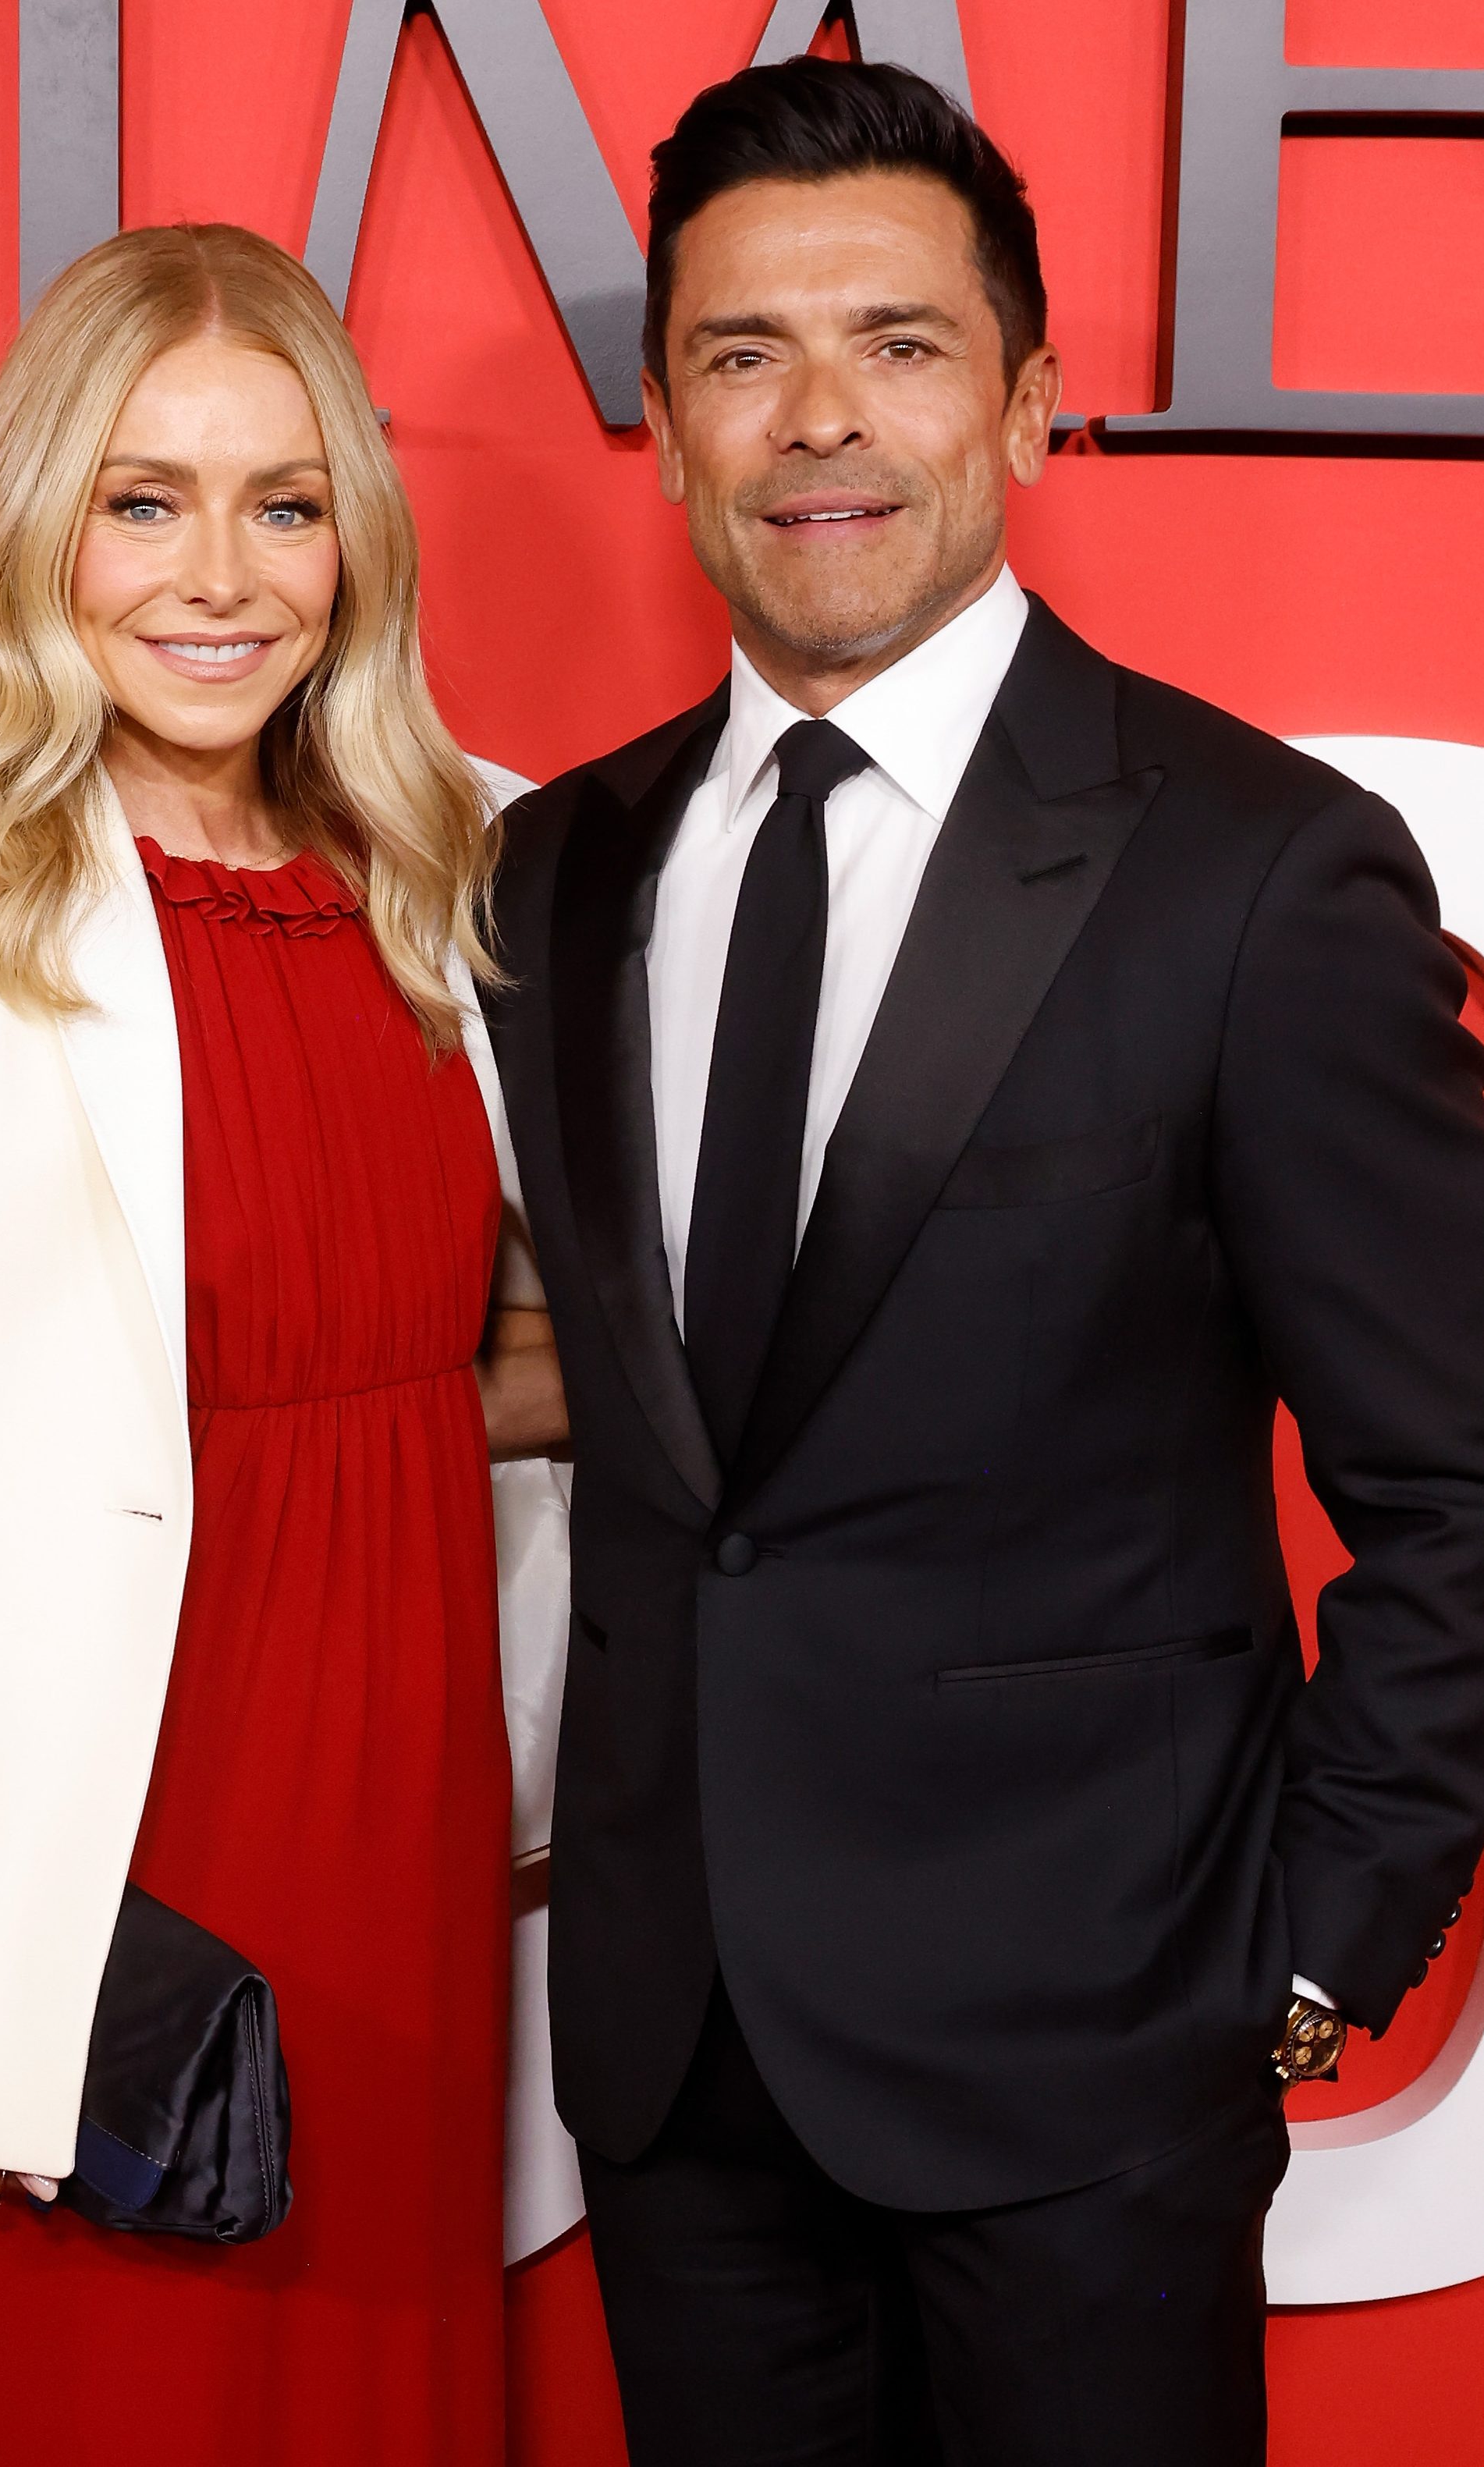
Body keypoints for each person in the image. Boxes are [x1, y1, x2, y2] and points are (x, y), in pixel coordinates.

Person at [482, 59, 1484, 2467]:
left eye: (899, 343)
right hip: (673, 2060)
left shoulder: (1257, 869)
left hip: (1094, 2059)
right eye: (742, 354)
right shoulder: (556, 871)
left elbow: (1460, 1473)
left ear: (1027, 401)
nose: (818, 418)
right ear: (663, 424)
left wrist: (1309, 1947)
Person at [0, 222, 549, 2467]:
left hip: (425, 1784)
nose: (218, 575)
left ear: (355, 539)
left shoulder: (472, 879)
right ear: (44, 525)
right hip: (95, 1825)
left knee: (397, 2380)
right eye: (145, 499)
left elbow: (572, 1348)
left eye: (283, 502)